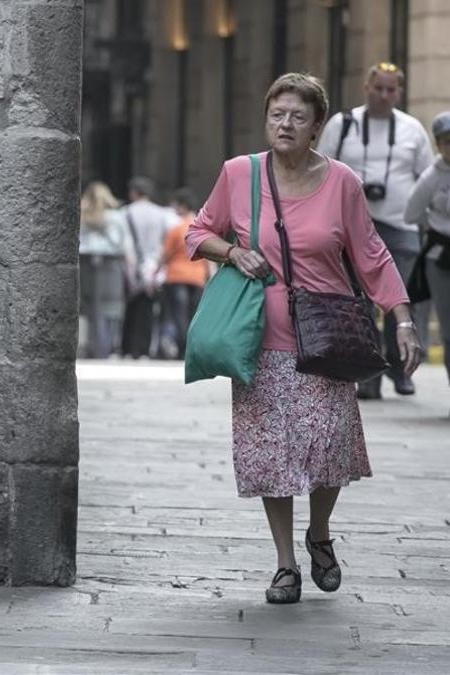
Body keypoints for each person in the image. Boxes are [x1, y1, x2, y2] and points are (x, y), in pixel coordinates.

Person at [186, 73, 420, 604]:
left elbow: (371, 254)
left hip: (327, 338)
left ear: (317, 126)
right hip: (259, 337)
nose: (284, 124)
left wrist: (402, 319)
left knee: (328, 449)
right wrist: (232, 252)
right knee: (271, 456)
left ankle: (319, 531)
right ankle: (285, 565)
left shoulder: (341, 183)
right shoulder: (238, 174)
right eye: (277, 114)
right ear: (266, 119)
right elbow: (197, 233)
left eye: (297, 116)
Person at [316, 62, 435, 399]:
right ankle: (369, 376)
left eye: (391, 89)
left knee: (399, 301)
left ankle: (402, 371)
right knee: (362, 303)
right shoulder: (343, 125)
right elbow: (320, 169)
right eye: (379, 88)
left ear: (400, 92)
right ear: (366, 87)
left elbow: (428, 177)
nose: (385, 95)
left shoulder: (412, 129)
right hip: (353, 227)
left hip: (402, 226)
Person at [404, 111, 450, 417]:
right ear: (438, 143)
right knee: (449, 331)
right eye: (448, 141)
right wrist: (436, 225)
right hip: (441, 259)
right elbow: (411, 213)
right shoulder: (432, 177)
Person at [120, 177, 174, 359]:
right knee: (150, 309)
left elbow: (125, 243)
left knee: (131, 308)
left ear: (134, 192)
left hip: (134, 265)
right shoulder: (162, 214)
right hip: (155, 265)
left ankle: (129, 347)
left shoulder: (126, 213)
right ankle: (145, 348)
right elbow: (167, 240)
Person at [78, 180, 132, 359]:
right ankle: (108, 346)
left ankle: (87, 346)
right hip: (111, 264)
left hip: (85, 263)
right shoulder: (116, 216)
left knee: (87, 308)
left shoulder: (82, 214)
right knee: (112, 308)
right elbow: (123, 244)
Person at [156, 188, 209, 359]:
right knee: (194, 315)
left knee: (178, 315)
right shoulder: (203, 229)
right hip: (197, 277)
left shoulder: (176, 229)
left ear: (183, 206)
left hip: (176, 276)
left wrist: (155, 272)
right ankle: (192, 350)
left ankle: (182, 350)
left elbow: (165, 255)